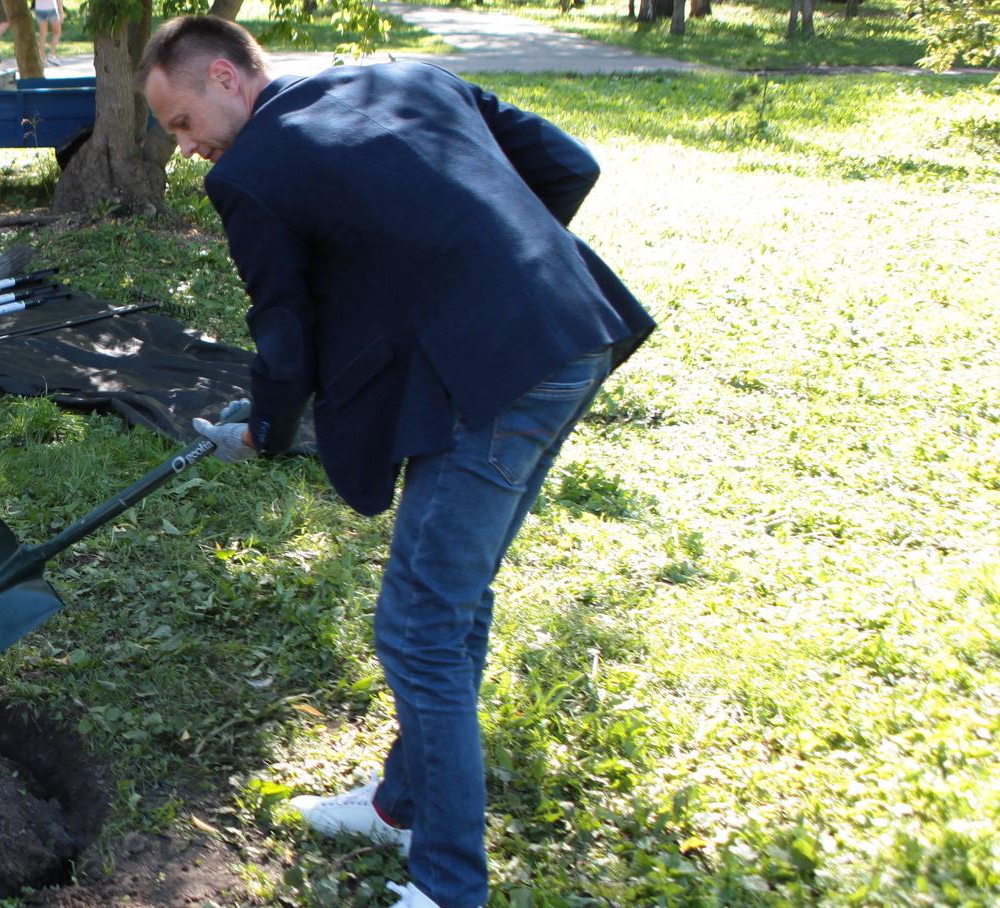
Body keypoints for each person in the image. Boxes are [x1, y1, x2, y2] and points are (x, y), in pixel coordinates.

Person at [139, 17, 655, 908]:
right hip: (572, 330)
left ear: (225, 76)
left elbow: (284, 337)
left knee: (418, 627)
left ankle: (448, 885)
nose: (186, 149)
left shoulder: (249, 175)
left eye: (182, 123)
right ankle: (401, 804)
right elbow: (567, 164)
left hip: (499, 376)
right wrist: (486, 275)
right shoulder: (409, 76)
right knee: (452, 602)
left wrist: (265, 430)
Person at [33, 0, 64, 66]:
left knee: (43, 34)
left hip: (39, 9)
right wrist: (61, 13)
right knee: (57, 32)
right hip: (51, 8)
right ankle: (51, 55)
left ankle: (42, 58)